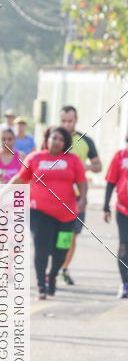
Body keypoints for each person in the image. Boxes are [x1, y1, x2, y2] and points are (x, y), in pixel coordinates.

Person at [9, 126, 86, 299]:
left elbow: (82, 182)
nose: (57, 142)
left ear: (65, 143)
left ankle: (52, 276)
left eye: (61, 139)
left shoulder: (73, 160)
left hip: (67, 214)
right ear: (47, 140)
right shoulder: (35, 158)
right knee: (41, 248)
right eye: (54, 138)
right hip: (39, 211)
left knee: (62, 250)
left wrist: (83, 199)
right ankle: (41, 285)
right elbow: (20, 179)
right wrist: (2, 193)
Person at [58, 105, 102, 285]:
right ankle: (52, 269)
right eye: (63, 121)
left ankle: (64, 268)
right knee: (55, 235)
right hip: (55, 196)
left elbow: (99, 166)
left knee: (71, 235)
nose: (66, 124)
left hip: (76, 198)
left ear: (76, 120)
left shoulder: (86, 141)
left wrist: (87, 167)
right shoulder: (54, 138)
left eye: (70, 121)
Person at [103, 132, 128, 298]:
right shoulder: (120, 156)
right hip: (123, 210)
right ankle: (125, 283)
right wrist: (105, 206)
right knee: (124, 246)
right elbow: (111, 181)